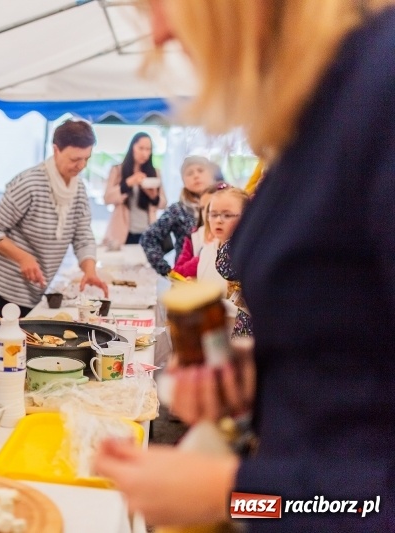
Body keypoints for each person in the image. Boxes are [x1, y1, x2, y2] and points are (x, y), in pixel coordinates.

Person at [93, 1, 395, 531]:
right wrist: (262, 377)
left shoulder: (381, 90)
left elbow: (367, 504)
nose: (157, 35)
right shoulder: (322, 105)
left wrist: (229, 496)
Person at [0, 119, 109, 317]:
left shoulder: (79, 189)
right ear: (56, 150)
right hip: (7, 282)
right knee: (13, 334)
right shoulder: (29, 183)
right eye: (75, 159)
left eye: (86, 159)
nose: (81, 166)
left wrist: (89, 271)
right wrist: (23, 257)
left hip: (39, 284)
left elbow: (82, 235)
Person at [140, 155, 217, 276]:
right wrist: (166, 270)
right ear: (183, 181)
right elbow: (148, 237)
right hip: (186, 278)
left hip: (217, 275)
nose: (196, 175)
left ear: (211, 175)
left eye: (200, 170)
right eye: (189, 173)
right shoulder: (177, 210)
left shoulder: (225, 204)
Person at [102, 132, 168, 247]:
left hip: (148, 232)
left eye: (148, 149)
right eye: (141, 148)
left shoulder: (155, 173)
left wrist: (153, 196)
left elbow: (163, 204)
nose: (144, 153)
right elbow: (107, 198)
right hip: (123, 233)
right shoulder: (118, 170)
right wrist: (128, 183)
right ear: (132, 147)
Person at [211, 187, 251, 338]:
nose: (218, 220)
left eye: (227, 215)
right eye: (213, 214)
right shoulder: (211, 246)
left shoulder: (250, 241)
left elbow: (225, 267)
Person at [171, 181, 223, 279]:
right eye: (203, 208)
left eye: (210, 207)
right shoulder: (194, 236)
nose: (206, 213)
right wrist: (203, 259)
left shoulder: (234, 238)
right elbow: (177, 272)